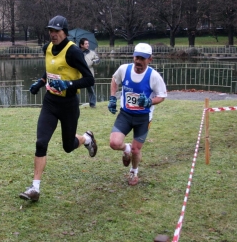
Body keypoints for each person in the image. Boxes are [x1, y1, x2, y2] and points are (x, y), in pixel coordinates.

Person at [19, 15, 98, 201]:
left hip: (69, 105)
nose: (53, 34)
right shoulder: (47, 48)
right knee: (41, 142)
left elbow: (89, 79)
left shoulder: (73, 52)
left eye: (57, 31)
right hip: (51, 103)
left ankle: (87, 139)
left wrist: (68, 84)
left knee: (68, 146)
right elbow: (50, 70)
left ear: (65, 32)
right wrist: (40, 83)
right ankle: (34, 189)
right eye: (50, 31)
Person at [108, 43, 167, 186]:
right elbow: (114, 80)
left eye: (143, 58)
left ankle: (134, 171)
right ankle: (126, 149)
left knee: (136, 149)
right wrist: (112, 97)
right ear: (133, 57)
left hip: (143, 118)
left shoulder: (153, 76)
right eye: (137, 58)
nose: (139, 61)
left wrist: (149, 102)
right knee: (114, 143)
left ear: (149, 60)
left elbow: (162, 95)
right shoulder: (124, 69)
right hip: (125, 114)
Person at [79, 38, 100, 108]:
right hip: (79, 74)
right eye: (86, 44)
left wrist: (93, 62)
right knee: (75, 89)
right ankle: (74, 104)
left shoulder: (92, 53)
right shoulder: (77, 52)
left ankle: (92, 104)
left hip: (89, 74)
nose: (88, 45)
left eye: (88, 43)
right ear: (81, 45)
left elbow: (98, 60)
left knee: (91, 90)